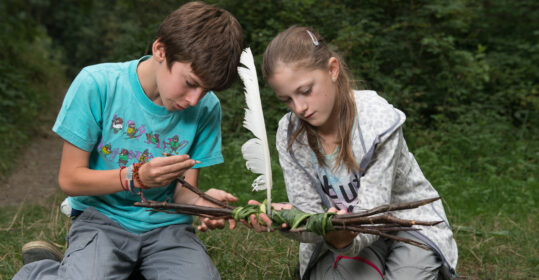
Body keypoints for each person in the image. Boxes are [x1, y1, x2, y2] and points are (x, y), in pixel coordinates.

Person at [14, 2, 242, 279]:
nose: (194, 99)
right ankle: (42, 272)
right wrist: (135, 177)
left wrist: (203, 203)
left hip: (168, 227)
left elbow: (183, 192)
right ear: (161, 50)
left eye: (206, 90)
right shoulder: (97, 85)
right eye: (191, 83)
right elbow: (70, 179)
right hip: (101, 219)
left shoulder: (207, 108)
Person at [249, 26, 458, 280]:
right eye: (287, 100)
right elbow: (310, 220)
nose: (300, 108)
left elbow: (374, 213)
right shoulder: (290, 134)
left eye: (305, 91)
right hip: (341, 234)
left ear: (332, 70)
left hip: (406, 223)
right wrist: (286, 219)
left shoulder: (377, 121)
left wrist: (343, 235)